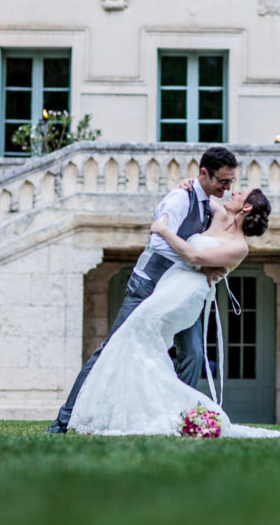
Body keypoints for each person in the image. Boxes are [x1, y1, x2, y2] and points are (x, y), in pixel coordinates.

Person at [45, 147, 238, 434]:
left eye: (231, 181)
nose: (227, 187)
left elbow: (228, 219)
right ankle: (64, 419)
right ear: (203, 174)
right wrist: (196, 263)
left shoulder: (207, 201)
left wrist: (200, 264)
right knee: (110, 350)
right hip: (148, 286)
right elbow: (158, 241)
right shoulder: (179, 198)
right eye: (223, 181)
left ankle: (178, 420)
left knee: (194, 354)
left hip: (180, 291)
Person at [67, 187, 280, 438]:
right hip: (169, 283)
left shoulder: (239, 247)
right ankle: (143, 409)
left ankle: (157, 410)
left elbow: (193, 255)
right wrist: (187, 182)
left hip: (184, 295)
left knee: (138, 340)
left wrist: (164, 231)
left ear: (246, 207)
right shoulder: (221, 215)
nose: (234, 191)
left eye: (241, 193)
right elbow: (201, 194)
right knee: (137, 343)